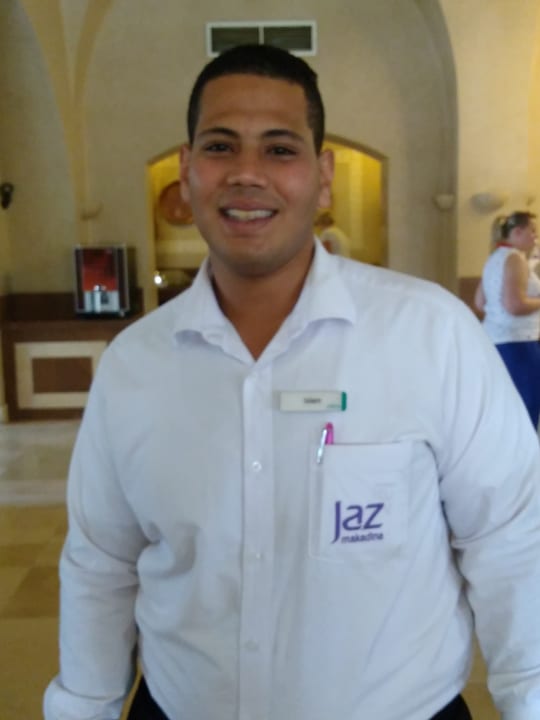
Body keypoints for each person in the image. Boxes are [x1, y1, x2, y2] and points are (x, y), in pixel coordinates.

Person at [44, 44, 540, 720]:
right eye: (220, 146)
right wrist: (84, 705)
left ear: (323, 176)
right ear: (186, 172)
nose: (247, 173)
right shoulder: (135, 365)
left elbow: (511, 539)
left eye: (280, 149)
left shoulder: (431, 335)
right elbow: (101, 563)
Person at [474, 211, 540, 429]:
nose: (535, 237)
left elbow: (480, 302)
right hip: (518, 342)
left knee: (505, 408)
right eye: (532, 231)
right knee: (526, 406)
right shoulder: (515, 259)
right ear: (517, 231)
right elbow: (514, 305)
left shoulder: (494, 258)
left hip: (494, 341)